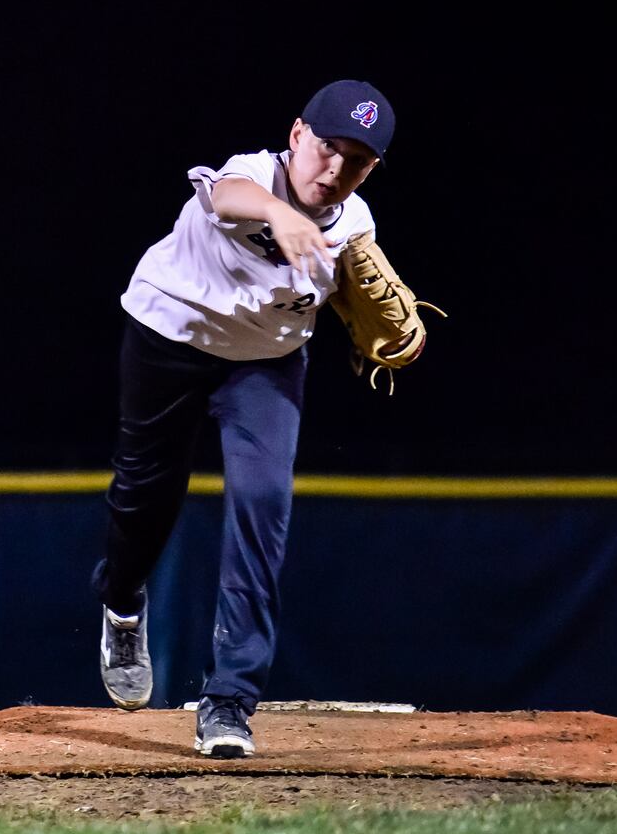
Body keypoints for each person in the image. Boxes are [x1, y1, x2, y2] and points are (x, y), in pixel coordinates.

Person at [92, 79, 398, 758]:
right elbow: (228, 194)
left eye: (357, 160)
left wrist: (391, 336)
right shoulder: (252, 174)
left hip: (266, 365)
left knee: (263, 505)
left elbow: (361, 308)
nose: (334, 169)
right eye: (326, 148)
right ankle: (121, 602)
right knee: (147, 497)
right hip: (168, 334)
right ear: (296, 135)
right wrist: (278, 214)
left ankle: (228, 702)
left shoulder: (355, 227)